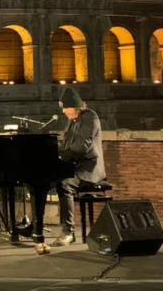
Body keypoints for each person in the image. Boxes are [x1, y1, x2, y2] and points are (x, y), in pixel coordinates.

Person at [52, 87, 106, 246]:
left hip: (89, 169)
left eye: (66, 108)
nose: (64, 112)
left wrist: (62, 155)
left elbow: (82, 146)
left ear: (76, 106)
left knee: (65, 185)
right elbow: (67, 145)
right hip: (75, 167)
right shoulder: (71, 121)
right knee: (45, 182)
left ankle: (68, 231)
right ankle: (36, 227)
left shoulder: (90, 118)